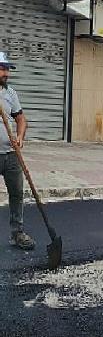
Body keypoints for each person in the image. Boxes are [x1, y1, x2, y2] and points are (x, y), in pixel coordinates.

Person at [0, 52, 33, 250]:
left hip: (10, 155)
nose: (6, 73)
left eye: (7, 70)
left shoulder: (10, 93)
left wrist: (20, 137)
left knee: (17, 194)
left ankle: (17, 232)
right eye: (2, 69)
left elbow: (21, 118)